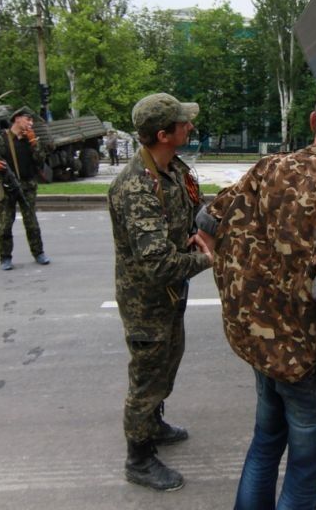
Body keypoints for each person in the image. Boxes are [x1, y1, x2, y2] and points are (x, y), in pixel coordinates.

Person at [196, 83, 316, 509]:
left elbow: (208, 222)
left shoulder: (267, 169)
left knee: (264, 445)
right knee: (303, 472)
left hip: (261, 345)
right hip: (311, 363)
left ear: (314, 122)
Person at [107, 92, 213, 491]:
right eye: (184, 122)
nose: (191, 125)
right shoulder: (136, 187)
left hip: (171, 296)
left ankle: (153, 423)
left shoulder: (172, 168)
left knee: (167, 365)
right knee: (146, 378)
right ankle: (138, 458)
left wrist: (207, 230)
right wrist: (210, 257)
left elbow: (192, 214)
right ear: (165, 134)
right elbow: (158, 265)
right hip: (148, 302)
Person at [0, 106, 50, 271]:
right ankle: (5, 258)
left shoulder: (32, 140)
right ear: (17, 119)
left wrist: (34, 141)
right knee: (6, 224)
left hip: (27, 185)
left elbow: (40, 161)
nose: (30, 123)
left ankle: (39, 253)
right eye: (28, 119)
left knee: (32, 223)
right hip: (6, 186)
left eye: (31, 120)